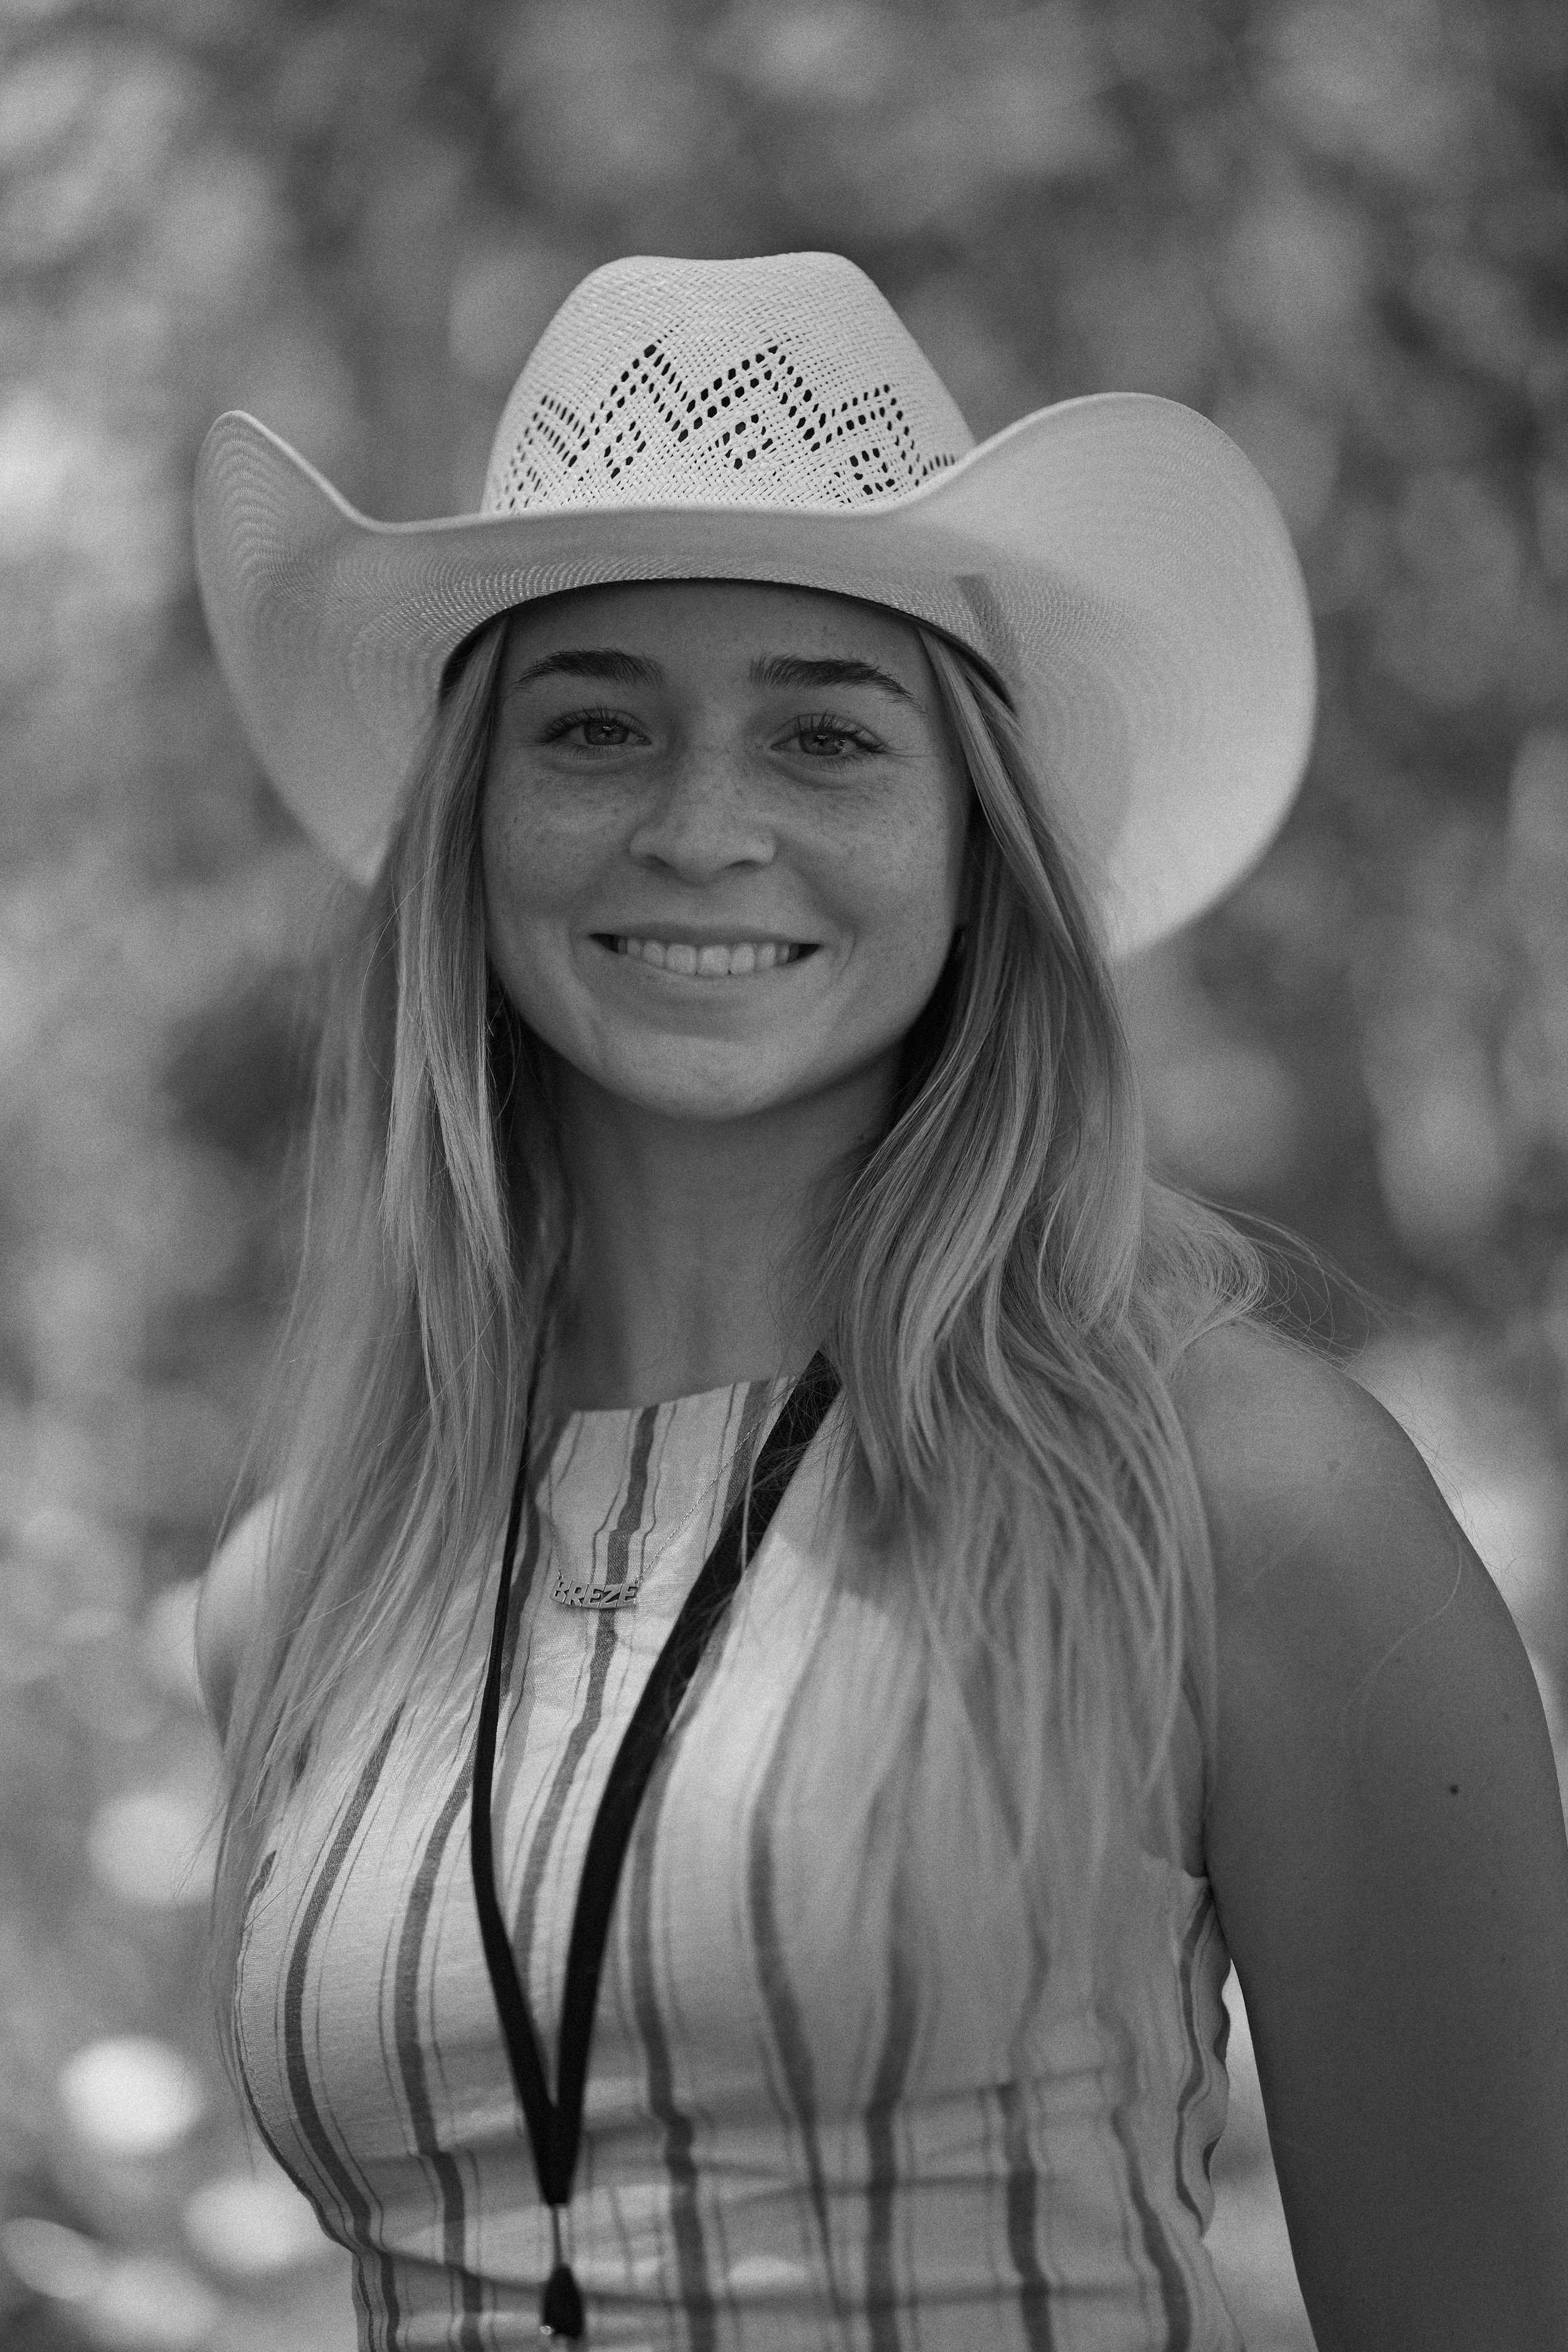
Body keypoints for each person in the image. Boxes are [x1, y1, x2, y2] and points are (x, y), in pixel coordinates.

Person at [192, 253, 1568, 2351]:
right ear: (472, 820)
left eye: (825, 736)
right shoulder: (301, 1589)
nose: (701, 830)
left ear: (970, 842)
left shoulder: (1244, 1503)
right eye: (593, 727)